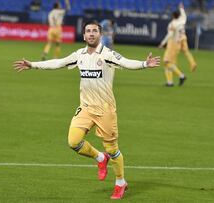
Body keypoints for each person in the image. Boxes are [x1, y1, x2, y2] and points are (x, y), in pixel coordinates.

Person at [14, 20, 160, 199]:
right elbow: (58, 62)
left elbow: (127, 62)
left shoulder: (107, 54)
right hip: (85, 108)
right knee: (73, 141)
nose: (91, 34)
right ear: (83, 36)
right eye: (88, 31)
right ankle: (100, 158)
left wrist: (144, 64)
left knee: (112, 149)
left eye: (94, 31)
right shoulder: (79, 54)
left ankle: (120, 182)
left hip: (105, 109)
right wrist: (33, 65)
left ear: (100, 35)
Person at [159, 2, 197, 87]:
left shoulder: (173, 24)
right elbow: (184, 16)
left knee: (166, 61)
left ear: (173, 16)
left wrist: (162, 43)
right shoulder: (182, 21)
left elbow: (170, 35)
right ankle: (170, 82)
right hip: (178, 44)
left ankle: (181, 76)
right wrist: (181, 8)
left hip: (172, 44)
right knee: (169, 63)